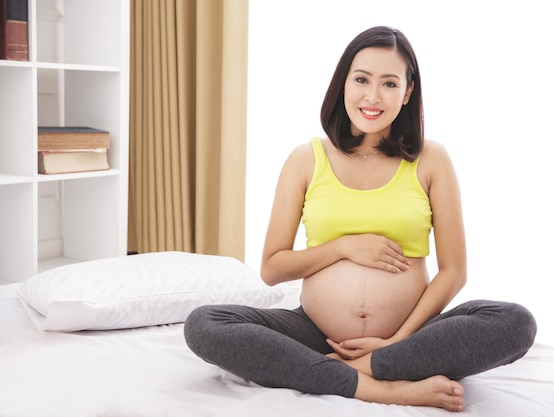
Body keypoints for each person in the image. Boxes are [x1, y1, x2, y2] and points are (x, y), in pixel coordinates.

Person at [184, 26, 536, 412]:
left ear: (407, 92)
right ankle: (381, 388)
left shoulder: (430, 159)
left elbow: (454, 271)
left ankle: (362, 369)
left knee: (514, 322)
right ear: (343, 84)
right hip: (317, 334)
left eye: (389, 83)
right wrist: (344, 247)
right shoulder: (306, 159)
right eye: (362, 79)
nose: (372, 96)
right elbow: (271, 268)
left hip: (410, 337)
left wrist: (396, 343)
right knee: (206, 324)